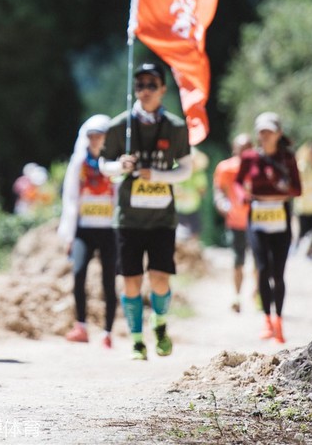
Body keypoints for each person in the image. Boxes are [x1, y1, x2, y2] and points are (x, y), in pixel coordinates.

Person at [100, 62, 193, 360]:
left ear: (163, 89)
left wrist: (159, 176)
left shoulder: (176, 127)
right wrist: (120, 166)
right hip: (128, 218)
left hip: (162, 218)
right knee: (130, 280)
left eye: (152, 84)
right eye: (140, 85)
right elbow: (104, 165)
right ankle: (137, 340)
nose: (145, 90)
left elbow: (186, 169)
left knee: (160, 278)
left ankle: (160, 324)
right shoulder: (120, 126)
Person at [235, 112, 302, 344]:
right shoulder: (249, 157)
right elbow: (238, 181)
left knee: (278, 273)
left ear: (278, 133)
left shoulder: (287, 158)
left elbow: (298, 189)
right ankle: (266, 320)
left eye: (269, 131)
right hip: (257, 218)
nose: (265, 135)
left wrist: (282, 187)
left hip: (280, 215)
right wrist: (243, 196)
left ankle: (279, 322)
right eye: (261, 131)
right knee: (262, 269)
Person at [57, 114, 117, 349]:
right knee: (79, 273)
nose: (94, 141)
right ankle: (81, 325)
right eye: (91, 136)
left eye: (99, 136)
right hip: (84, 229)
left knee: (108, 280)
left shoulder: (114, 164)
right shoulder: (79, 164)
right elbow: (70, 198)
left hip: (109, 230)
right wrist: (69, 235)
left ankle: (108, 331)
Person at [212, 133, 254, 313]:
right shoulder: (225, 168)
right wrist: (221, 203)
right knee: (238, 261)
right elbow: (218, 191)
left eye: (247, 148)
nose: (244, 152)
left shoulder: (258, 166)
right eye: (241, 148)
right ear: (234, 149)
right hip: (235, 221)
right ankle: (237, 297)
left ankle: (258, 293)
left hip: (257, 221)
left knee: (259, 261)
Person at [173, 149, 209, 239]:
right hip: (179, 208)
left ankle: (193, 246)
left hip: (193, 208)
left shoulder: (199, 174)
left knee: (195, 231)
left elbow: (203, 191)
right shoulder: (177, 169)